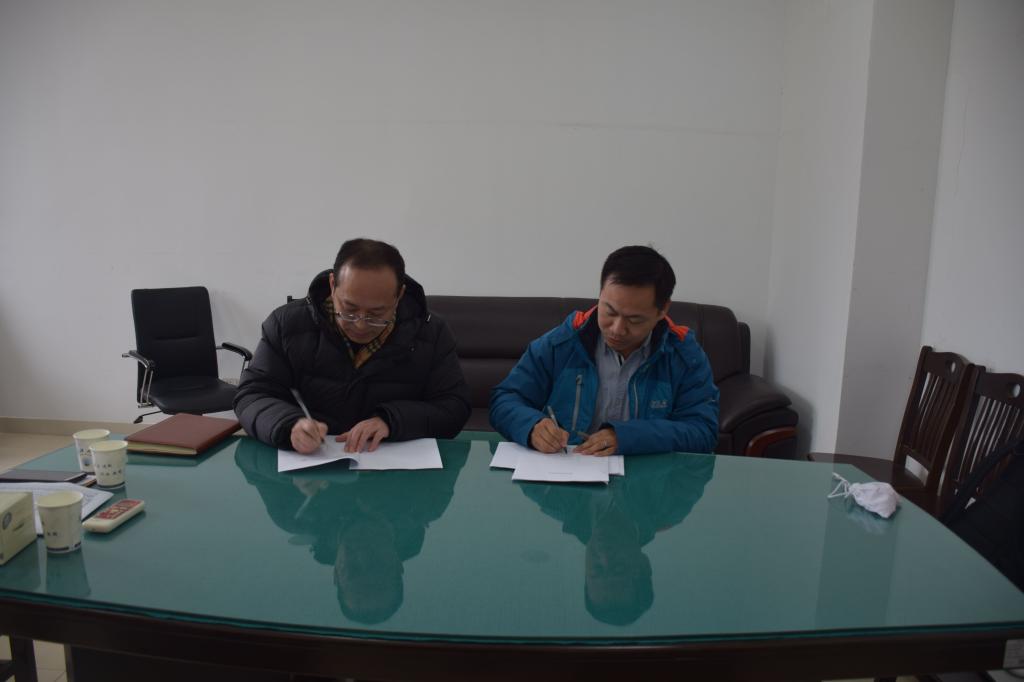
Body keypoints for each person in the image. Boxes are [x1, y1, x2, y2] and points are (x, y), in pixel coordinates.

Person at [234, 238, 470, 453]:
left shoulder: (431, 333)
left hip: (393, 469)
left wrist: (392, 421)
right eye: (349, 309)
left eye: (376, 313)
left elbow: (454, 407)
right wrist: (288, 425)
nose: (360, 325)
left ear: (399, 295)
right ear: (332, 284)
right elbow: (252, 395)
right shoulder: (287, 325)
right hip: (311, 468)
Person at [490, 245, 719, 456]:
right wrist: (532, 426)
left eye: (634, 320)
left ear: (662, 310)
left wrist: (628, 438)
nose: (617, 329)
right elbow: (505, 400)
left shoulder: (683, 357)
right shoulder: (561, 344)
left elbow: (703, 431)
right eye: (609, 311)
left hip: (648, 477)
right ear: (600, 294)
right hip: (567, 474)